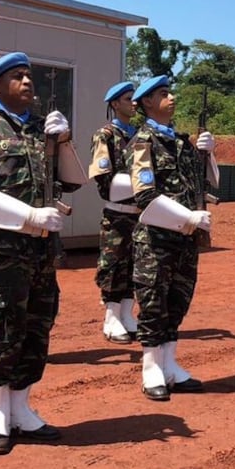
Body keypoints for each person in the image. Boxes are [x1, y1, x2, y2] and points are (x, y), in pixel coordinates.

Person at [0, 51, 86, 455]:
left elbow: (74, 181)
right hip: (4, 249)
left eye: (29, 77)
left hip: (42, 251)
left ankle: (22, 408)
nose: (27, 82)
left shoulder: (41, 131)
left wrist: (63, 141)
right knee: (4, 324)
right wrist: (30, 214)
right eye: (16, 77)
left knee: (38, 323)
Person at [125, 74, 215, 400]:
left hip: (185, 239)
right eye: (164, 93)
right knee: (153, 303)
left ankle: (169, 364)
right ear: (147, 102)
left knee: (178, 300)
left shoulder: (181, 142)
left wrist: (210, 154)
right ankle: (151, 367)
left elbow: (206, 184)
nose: (171, 97)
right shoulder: (142, 142)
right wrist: (188, 217)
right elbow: (144, 196)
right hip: (156, 238)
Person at [89, 81, 140, 344]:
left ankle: (127, 314)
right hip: (118, 212)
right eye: (128, 98)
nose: (134, 102)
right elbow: (103, 178)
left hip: (139, 212)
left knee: (134, 264)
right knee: (114, 264)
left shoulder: (141, 134)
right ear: (115, 104)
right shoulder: (105, 135)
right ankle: (111, 317)